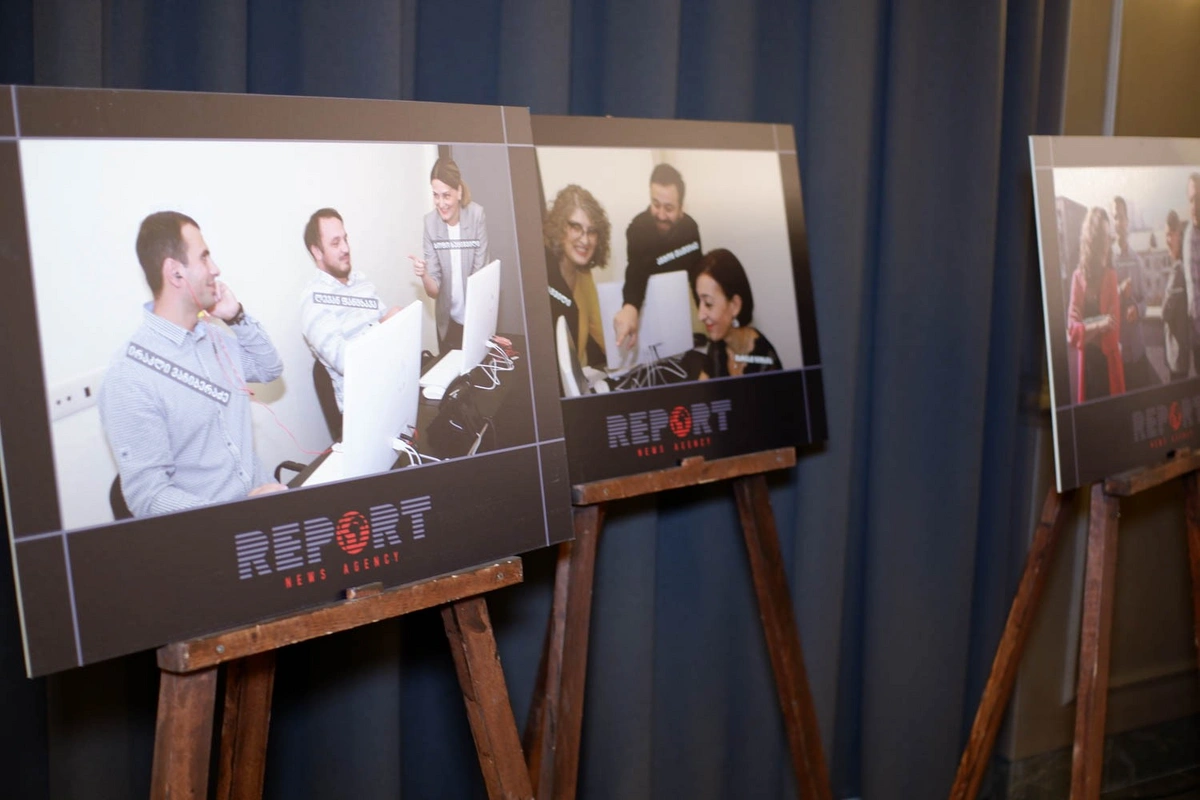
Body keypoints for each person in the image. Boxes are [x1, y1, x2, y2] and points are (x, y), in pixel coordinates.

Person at [99, 211, 287, 518]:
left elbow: (269, 369)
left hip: (266, 504)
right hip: (213, 530)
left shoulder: (214, 337)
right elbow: (149, 497)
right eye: (204, 257)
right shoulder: (130, 377)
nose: (215, 269)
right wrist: (236, 513)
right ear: (175, 273)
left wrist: (236, 316)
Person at [299, 208, 401, 413]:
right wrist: (383, 325)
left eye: (345, 239)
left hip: (394, 384)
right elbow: (348, 361)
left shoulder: (360, 280)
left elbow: (391, 329)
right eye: (335, 243)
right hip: (364, 408)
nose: (345, 248)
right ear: (317, 252)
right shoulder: (313, 301)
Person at [613, 163, 703, 351]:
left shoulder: (690, 229)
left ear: (681, 208)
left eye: (669, 208)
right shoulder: (637, 228)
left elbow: (698, 275)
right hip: (645, 315)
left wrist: (709, 311)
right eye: (656, 205)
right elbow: (636, 270)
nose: (661, 215)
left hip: (677, 316)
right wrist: (630, 306)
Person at [408, 158, 489, 352]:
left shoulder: (476, 215)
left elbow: (480, 274)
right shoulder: (430, 223)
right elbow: (433, 292)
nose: (441, 203)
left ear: (459, 192)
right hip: (448, 322)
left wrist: (475, 324)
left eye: (446, 195)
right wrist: (424, 274)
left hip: (476, 316)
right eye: (436, 196)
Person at [544, 185, 610, 369]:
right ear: (559, 228)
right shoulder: (542, 273)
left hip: (580, 378)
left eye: (592, 231)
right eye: (575, 227)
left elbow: (602, 334)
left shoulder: (584, 276)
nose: (585, 240)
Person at [693, 249, 782, 378]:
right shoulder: (717, 346)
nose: (700, 315)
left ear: (735, 305)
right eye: (699, 302)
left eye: (708, 303)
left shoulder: (766, 361)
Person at [1066, 206, 1125, 402]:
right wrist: (1100, 324)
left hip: (1109, 371)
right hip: (1087, 371)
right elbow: (1072, 332)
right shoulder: (1077, 278)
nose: (1108, 243)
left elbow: (1112, 336)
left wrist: (1085, 330)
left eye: (1109, 237)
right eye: (1103, 237)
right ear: (1092, 240)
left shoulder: (1111, 276)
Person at [1110, 196, 1153, 389]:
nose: (1118, 222)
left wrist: (1137, 308)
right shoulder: (1108, 261)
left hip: (1137, 351)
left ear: (1127, 221)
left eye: (1121, 217)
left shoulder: (1136, 260)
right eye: (1115, 217)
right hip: (1117, 355)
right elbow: (1103, 305)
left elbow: (1145, 302)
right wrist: (1119, 292)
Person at [1163, 209, 1190, 381]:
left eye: (1171, 234)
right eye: (1166, 234)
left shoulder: (1178, 269)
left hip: (1179, 358)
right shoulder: (1182, 266)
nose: (1167, 240)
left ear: (1179, 236)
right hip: (1183, 356)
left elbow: (1165, 312)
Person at [1183, 173, 1200, 373]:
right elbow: (1194, 298)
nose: (1194, 206)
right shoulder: (1190, 238)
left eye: (1198, 198)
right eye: (1191, 200)